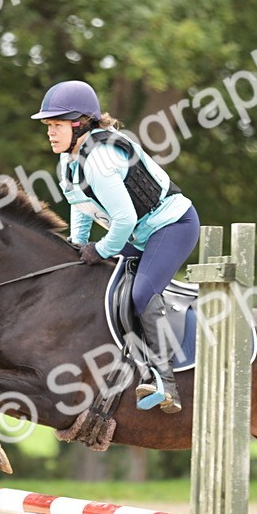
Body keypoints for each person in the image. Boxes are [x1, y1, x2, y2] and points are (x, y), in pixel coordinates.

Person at [32, 80, 199, 414]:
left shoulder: (100, 160)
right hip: (138, 236)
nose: (50, 132)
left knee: (140, 295)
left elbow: (122, 221)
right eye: (49, 126)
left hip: (173, 227)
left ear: (79, 123)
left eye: (56, 125)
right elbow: (80, 207)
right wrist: (76, 248)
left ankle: (166, 382)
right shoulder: (70, 162)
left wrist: (102, 251)